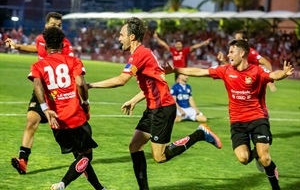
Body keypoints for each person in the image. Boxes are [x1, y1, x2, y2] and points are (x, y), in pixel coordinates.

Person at [87, 17, 222, 190]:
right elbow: (154, 84)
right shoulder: (144, 53)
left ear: (132, 37)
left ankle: (200, 134)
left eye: (122, 35)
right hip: (153, 108)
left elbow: (121, 80)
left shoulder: (140, 54)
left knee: (160, 157)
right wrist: (134, 100)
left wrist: (90, 85)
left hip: (163, 109)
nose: (119, 38)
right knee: (135, 146)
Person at [175, 39, 294, 190]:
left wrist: (283, 74)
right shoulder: (225, 70)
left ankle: (275, 186)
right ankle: (256, 153)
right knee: (243, 158)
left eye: (231, 52)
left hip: (257, 118)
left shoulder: (256, 71)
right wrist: (175, 69)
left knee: (265, 158)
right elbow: (200, 71)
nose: (228, 54)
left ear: (242, 53)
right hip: (237, 122)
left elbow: (273, 75)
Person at [28, 27, 106, 190]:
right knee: (86, 156)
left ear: (45, 46)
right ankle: (62, 184)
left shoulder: (38, 66)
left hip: (56, 120)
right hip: (75, 116)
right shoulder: (73, 61)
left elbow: (37, 86)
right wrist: (85, 103)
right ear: (63, 45)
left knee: (80, 157)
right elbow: (80, 83)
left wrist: (45, 108)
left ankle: (100, 188)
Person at [5, 12, 74, 174]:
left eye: (59, 25)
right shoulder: (40, 40)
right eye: (53, 25)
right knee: (31, 120)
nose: (56, 28)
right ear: (46, 25)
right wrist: (17, 46)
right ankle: (23, 161)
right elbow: (37, 49)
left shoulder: (65, 44)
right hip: (41, 89)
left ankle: (82, 162)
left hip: (59, 93)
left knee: (65, 132)